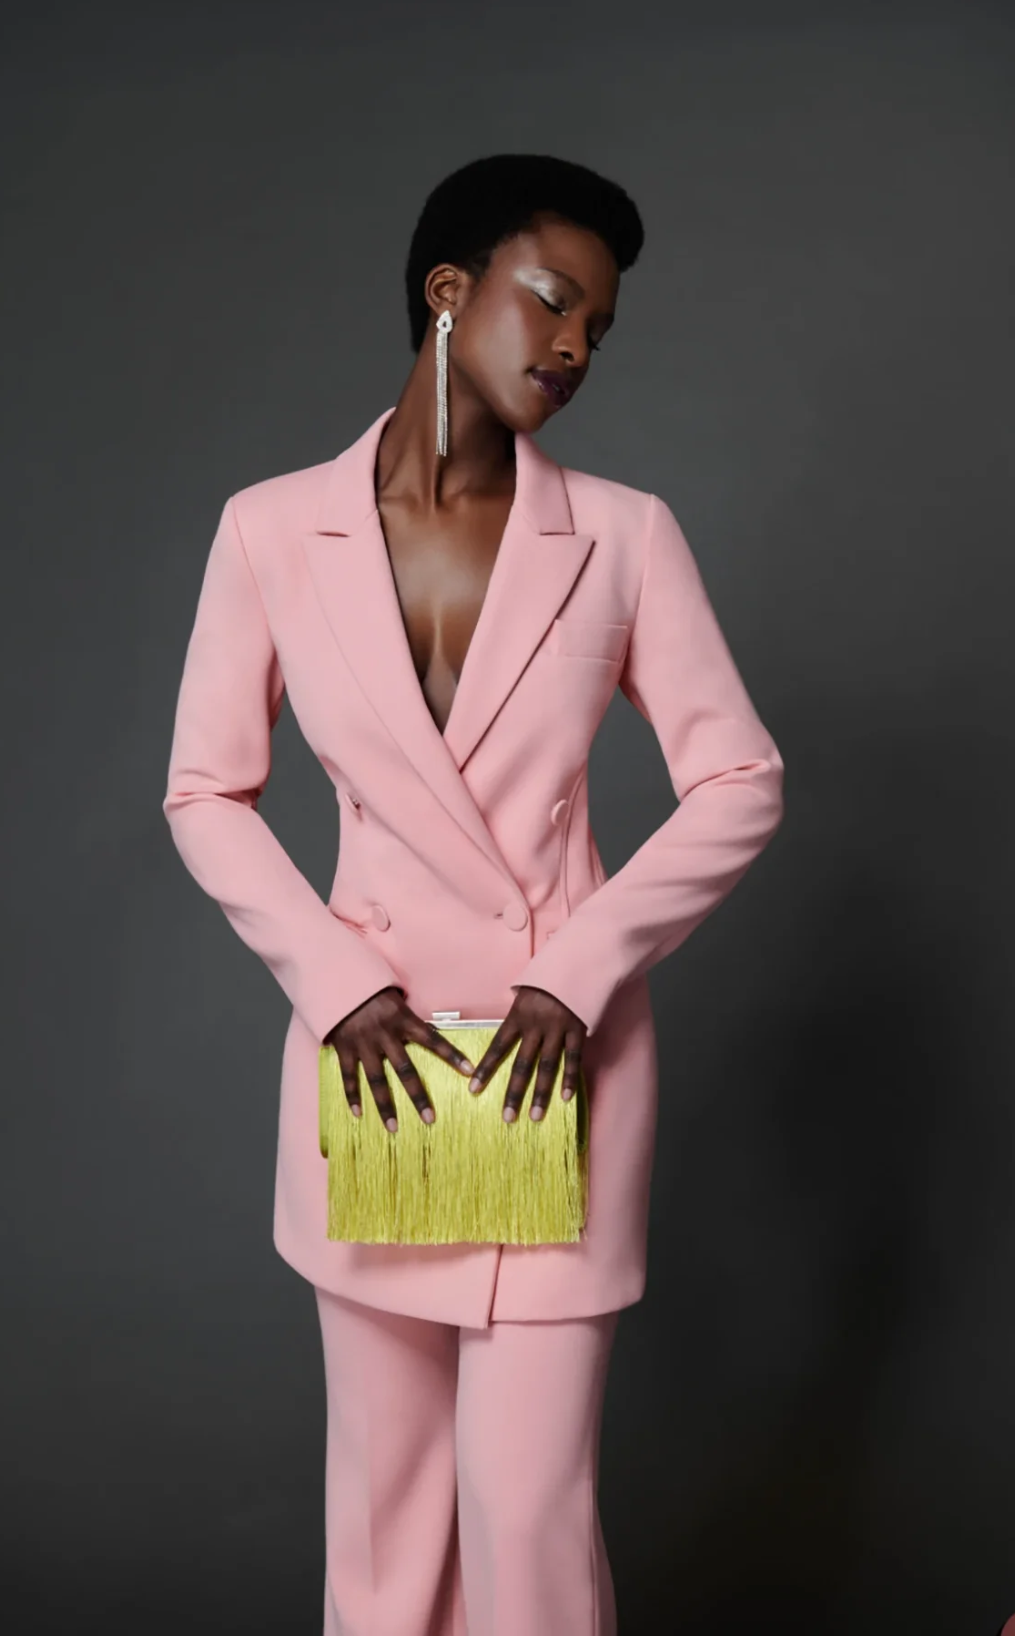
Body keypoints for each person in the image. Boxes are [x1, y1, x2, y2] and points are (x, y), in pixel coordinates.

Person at [162, 152, 785, 1636]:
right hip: (374, 1066)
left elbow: (739, 778)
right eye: (553, 301)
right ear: (449, 291)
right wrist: (333, 982)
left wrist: (577, 968)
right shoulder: (269, 529)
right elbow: (204, 792)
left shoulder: (623, 536)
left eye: (598, 330)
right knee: (386, 1515)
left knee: (525, 1511)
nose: (574, 348)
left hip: (548, 1065)